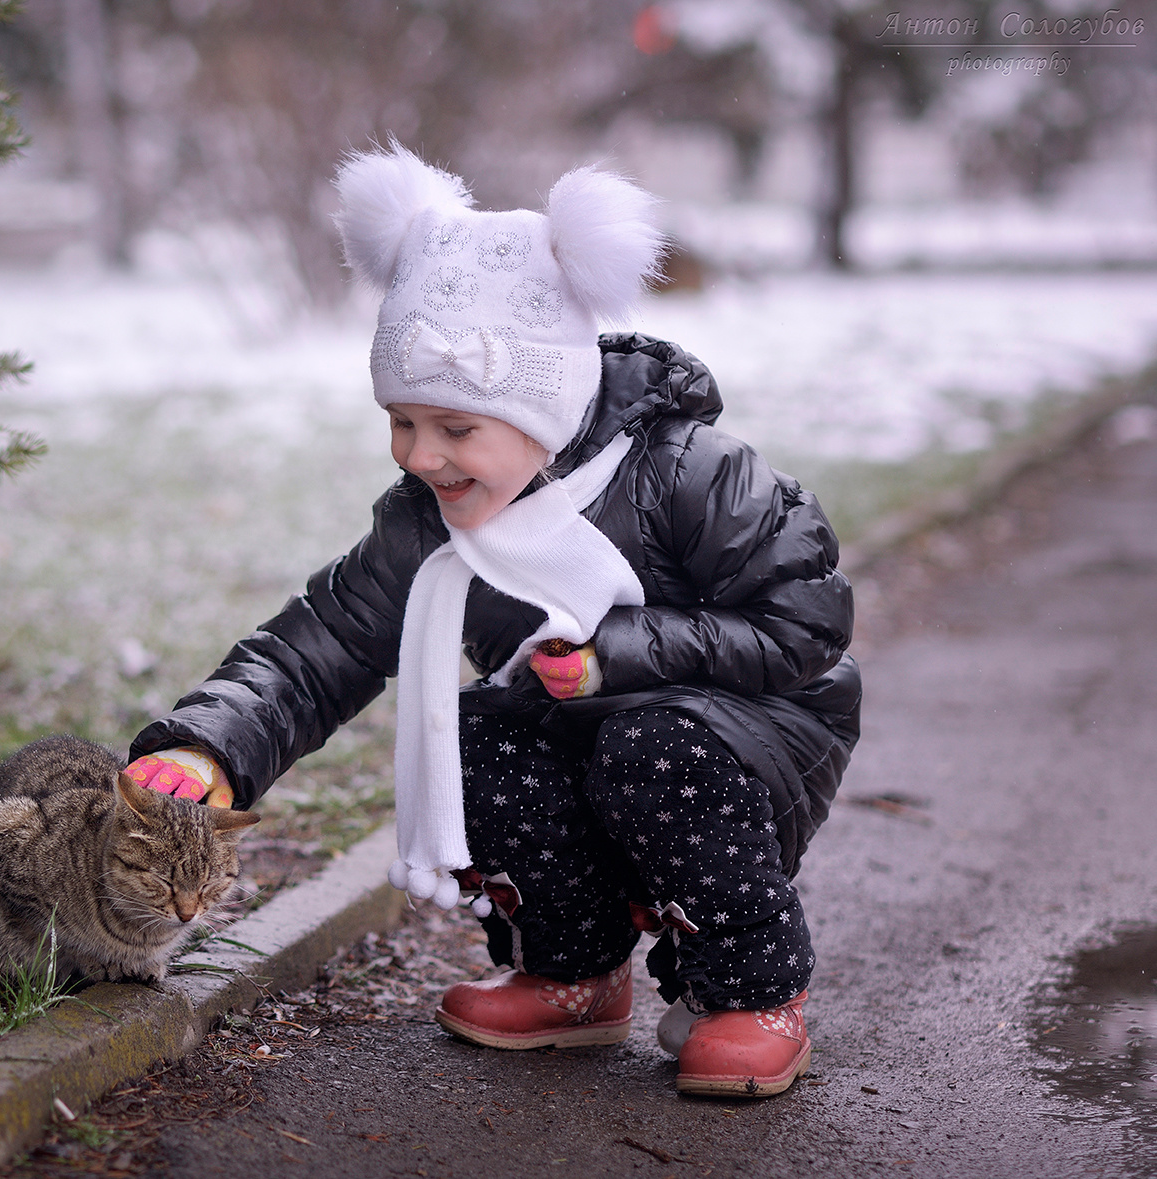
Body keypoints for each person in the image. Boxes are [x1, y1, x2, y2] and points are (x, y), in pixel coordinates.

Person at [120, 144, 860, 1098]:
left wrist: (622, 654)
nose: (424, 455)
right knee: (468, 735)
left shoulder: (692, 475)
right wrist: (213, 746)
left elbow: (807, 626)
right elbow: (326, 640)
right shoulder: (429, 520)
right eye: (402, 421)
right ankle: (572, 972)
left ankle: (752, 991)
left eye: (457, 428)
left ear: (545, 403)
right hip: (583, 724)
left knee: (651, 746)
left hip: (755, 727)